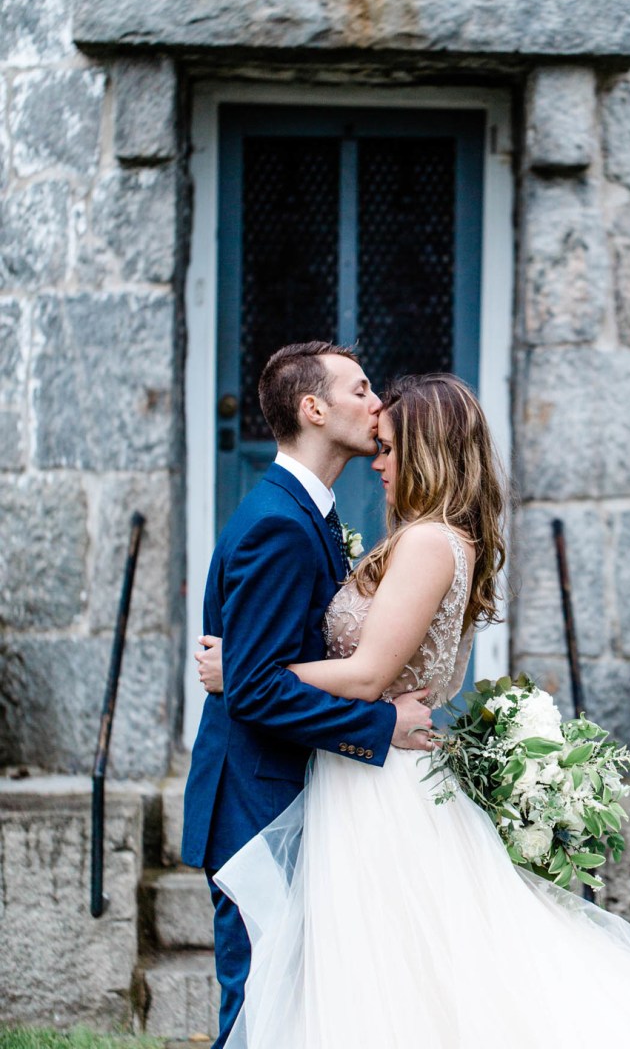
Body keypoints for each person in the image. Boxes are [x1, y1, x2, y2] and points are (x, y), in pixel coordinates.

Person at [202, 374, 630, 1049]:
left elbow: (369, 673)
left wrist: (245, 672)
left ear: (427, 453)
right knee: (393, 972)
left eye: (390, 450)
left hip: (377, 786)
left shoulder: (426, 543)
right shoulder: (437, 539)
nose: (378, 464)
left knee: (392, 974)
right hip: (362, 774)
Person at [181, 342, 434, 1049]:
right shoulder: (279, 524)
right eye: (361, 389)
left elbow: (259, 669)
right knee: (260, 1006)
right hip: (254, 801)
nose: (377, 403)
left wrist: (246, 669)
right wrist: (381, 725)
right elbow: (257, 692)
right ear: (313, 409)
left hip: (282, 790)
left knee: (291, 1007)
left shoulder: (307, 515)